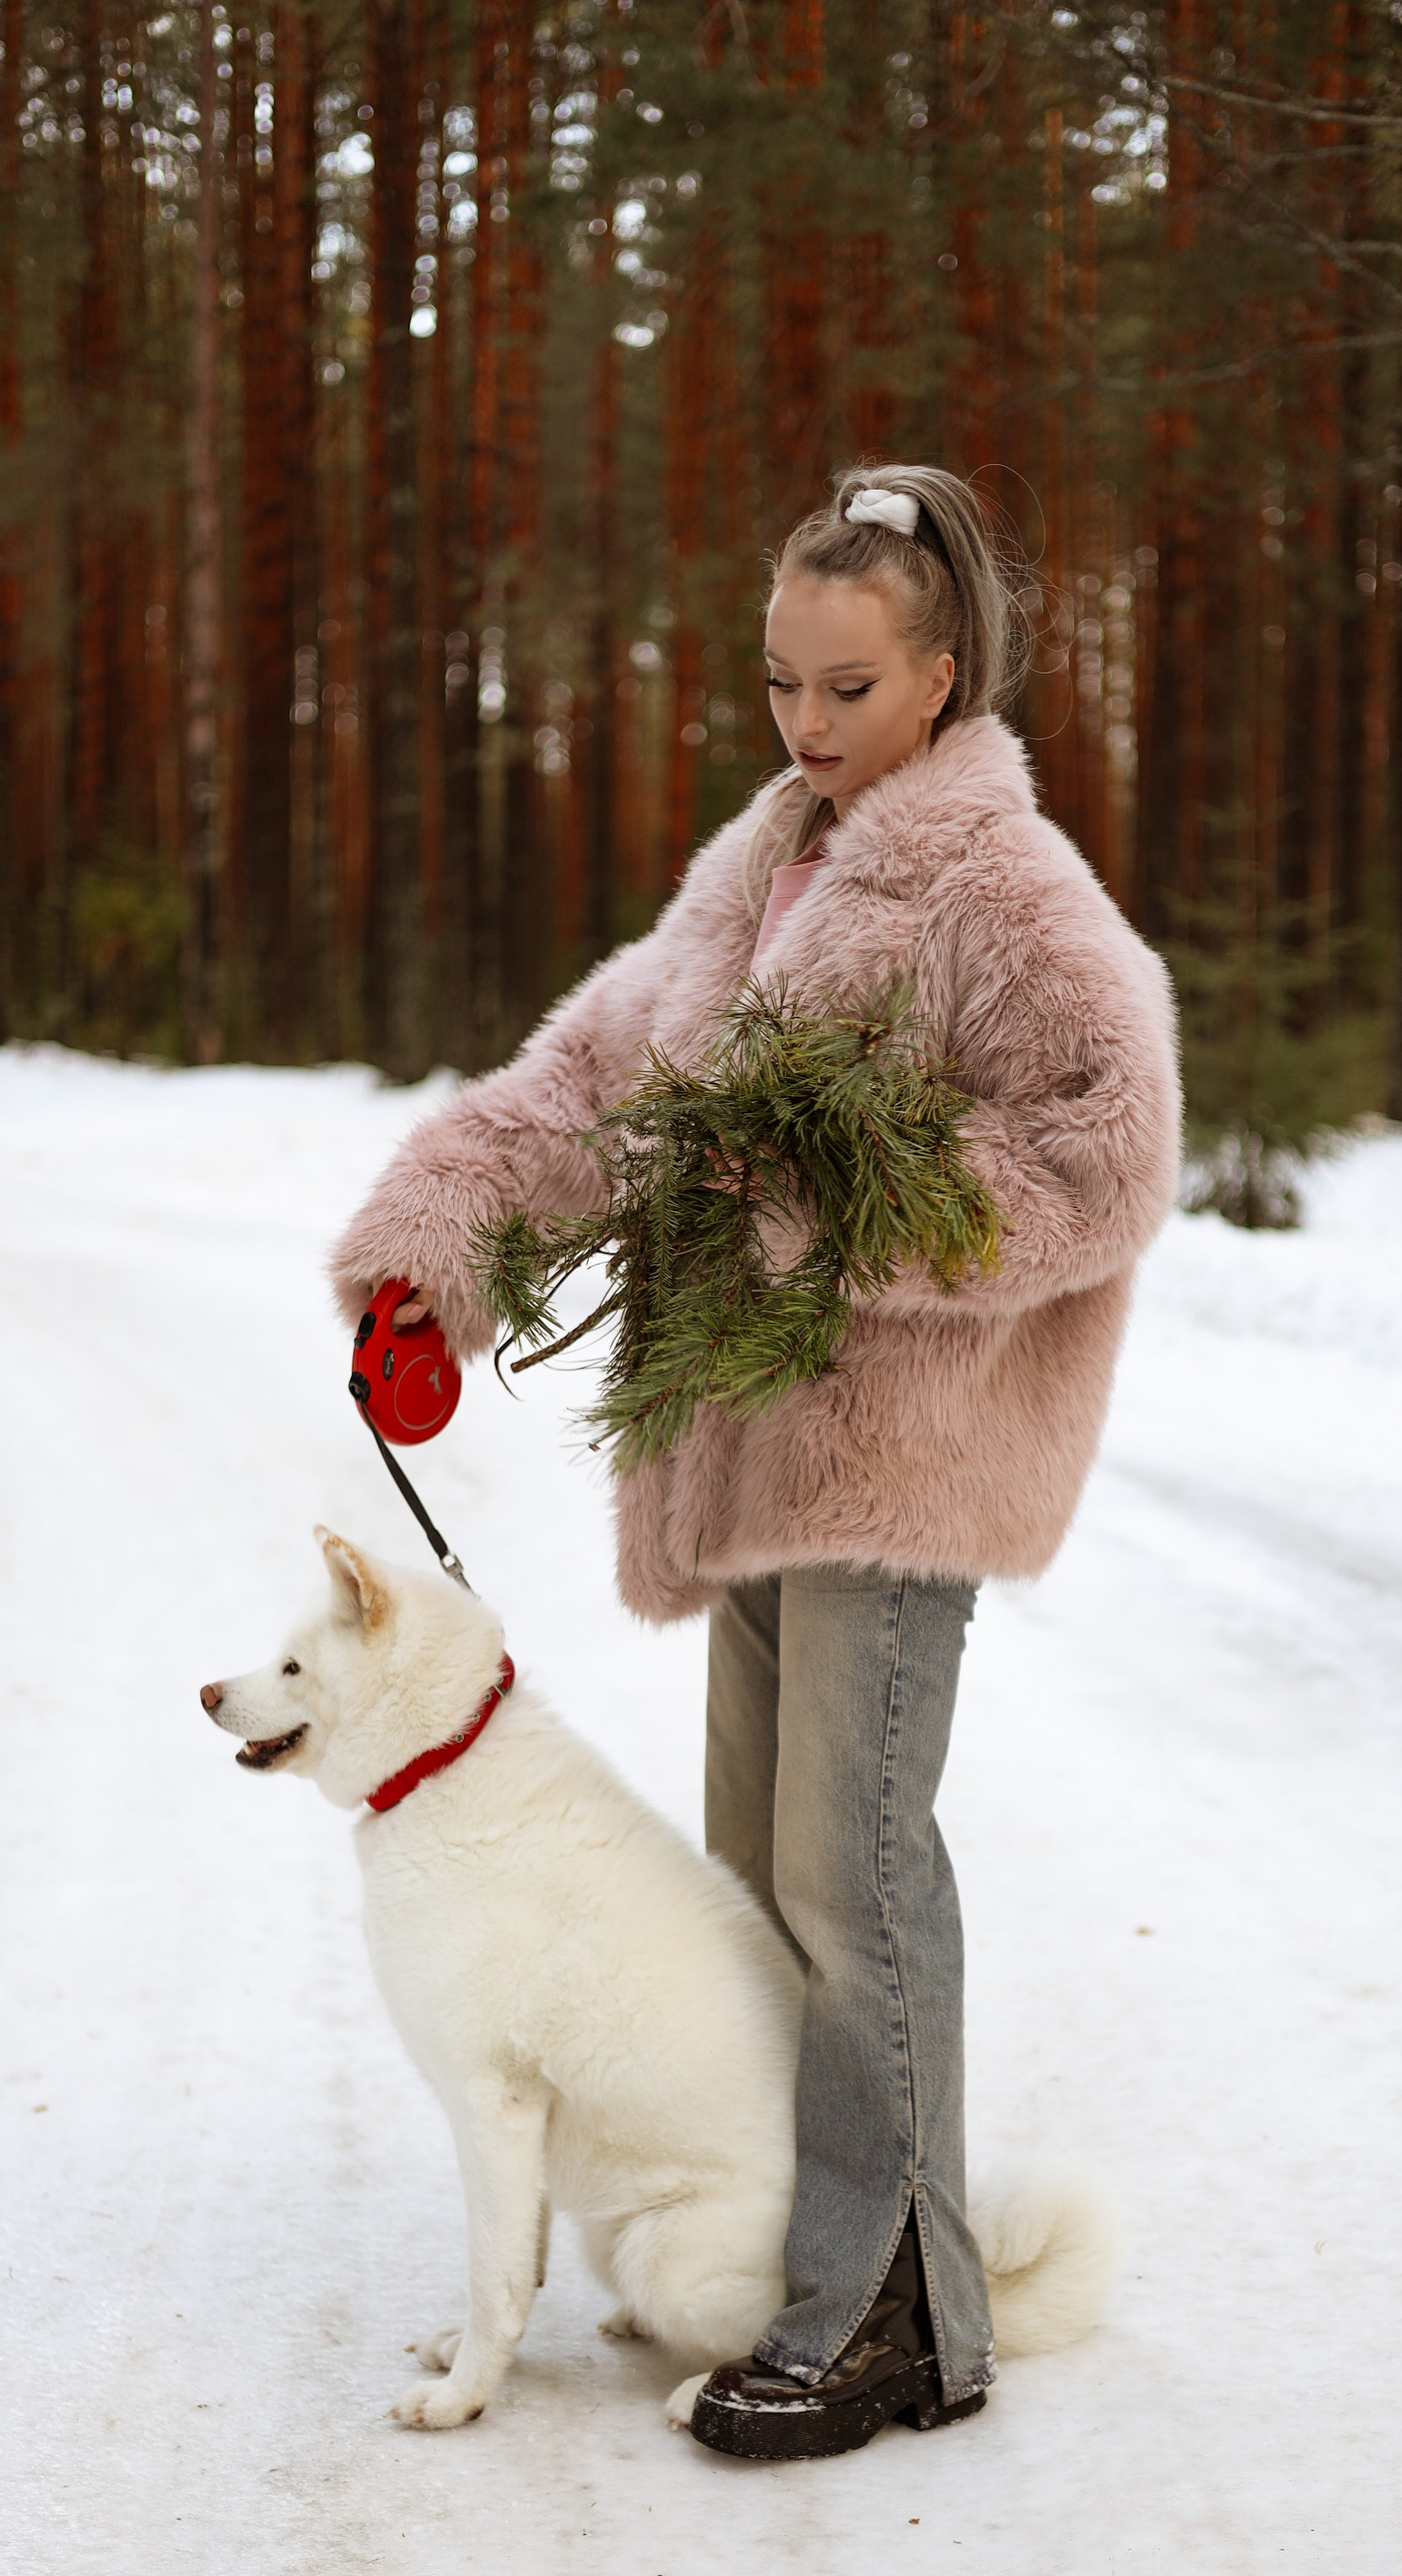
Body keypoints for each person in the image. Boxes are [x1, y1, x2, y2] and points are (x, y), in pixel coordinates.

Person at [330, 464, 1181, 2461]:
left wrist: (815, 1210)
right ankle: (851, 2264)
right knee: (766, 1893)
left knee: (851, 1874)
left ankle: (890, 2312)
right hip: (755, 1452)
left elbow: (1103, 1153)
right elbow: (599, 1075)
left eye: (846, 684)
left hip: (901, 1457)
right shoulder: (769, 865)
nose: (802, 722)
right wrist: (428, 1256)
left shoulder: (1002, 890)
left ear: (943, 674)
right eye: (778, 680)